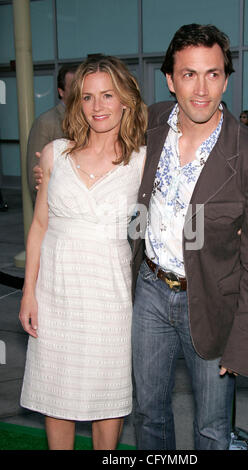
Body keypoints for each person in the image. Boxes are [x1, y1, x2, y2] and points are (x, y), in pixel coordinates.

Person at [131, 24, 248, 450]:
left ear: (227, 78)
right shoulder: (151, 123)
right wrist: (52, 166)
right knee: (148, 414)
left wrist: (243, 343)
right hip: (150, 290)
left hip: (215, 303)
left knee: (212, 429)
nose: (201, 89)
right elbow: (101, 139)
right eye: (189, 74)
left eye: (213, 74)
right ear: (169, 79)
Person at [19, 55, 147, 450]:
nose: (98, 107)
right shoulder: (55, 154)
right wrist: (28, 292)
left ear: (124, 100)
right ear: (77, 102)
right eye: (88, 97)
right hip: (55, 292)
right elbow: (39, 225)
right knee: (55, 393)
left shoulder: (141, 160)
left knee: (108, 395)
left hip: (109, 294)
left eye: (108, 95)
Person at [26, 64, 78, 203]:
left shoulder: (93, 119)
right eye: (74, 86)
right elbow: (35, 180)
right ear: (61, 92)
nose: (80, 90)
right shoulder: (45, 122)